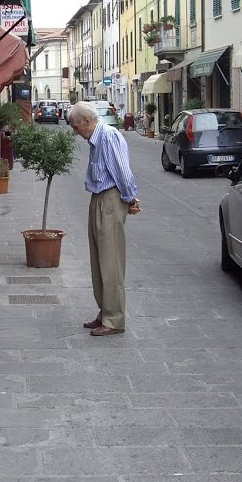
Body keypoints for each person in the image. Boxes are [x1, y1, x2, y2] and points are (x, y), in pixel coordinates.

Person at [67, 103, 140, 336]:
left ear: (87, 121)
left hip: (110, 200)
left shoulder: (108, 137)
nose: (74, 131)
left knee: (111, 262)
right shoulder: (95, 140)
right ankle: (105, 312)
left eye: (75, 126)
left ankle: (114, 319)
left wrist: (130, 198)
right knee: (99, 260)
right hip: (99, 198)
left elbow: (122, 171)